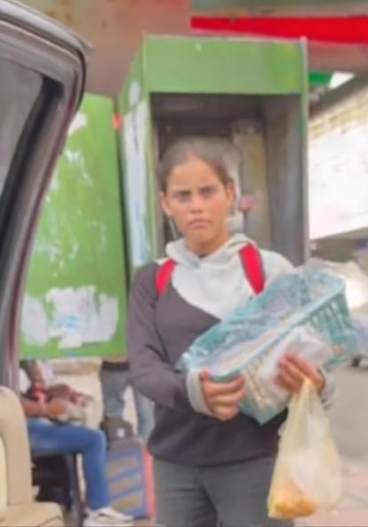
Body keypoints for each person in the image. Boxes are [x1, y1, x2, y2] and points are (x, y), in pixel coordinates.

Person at [126, 137, 335, 527]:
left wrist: (315, 383)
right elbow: (143, 366)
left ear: (229, 193)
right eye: (182, 195)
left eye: (207, 192)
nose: (196, 206)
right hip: (176, 468)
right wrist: (192, 392)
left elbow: (315, 354)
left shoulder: (269, 271)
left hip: (254, 464)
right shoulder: (153, 279)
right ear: (165, 203)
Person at [18, 362, 133, 527]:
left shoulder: (32, 358)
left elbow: (51, 384)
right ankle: (97, 508)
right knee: (94, 439)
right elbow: (9, 398)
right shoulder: (6, 359)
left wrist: (59, 393)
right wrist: (44, 409)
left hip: (38, 421)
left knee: (83, 430)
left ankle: (91, 505)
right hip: (24, 427)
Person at [99, 356, 154, 441]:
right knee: (145, 411)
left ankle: (115, 445)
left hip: (112, 365)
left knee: (113, 410)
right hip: (141, 364)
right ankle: (146, 447)